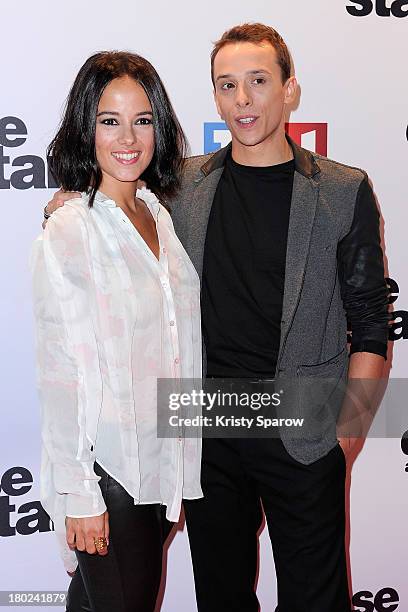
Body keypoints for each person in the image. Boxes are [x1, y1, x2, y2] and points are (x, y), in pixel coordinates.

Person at [44, 23, 389, 612]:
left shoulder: (342, 189)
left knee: (317, 600)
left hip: (304, 429)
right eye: (227, 85)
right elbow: (117, 204)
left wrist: (348, 433)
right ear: (215, 97)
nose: (243, 99)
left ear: (290, 89)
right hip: (208, 434)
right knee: (222, 598)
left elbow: (371, 322)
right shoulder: (183, 187)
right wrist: (70, 202)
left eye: (258, 81)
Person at [31, 51, 202, 612]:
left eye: (143, 119)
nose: (129, 137)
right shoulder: (74, 226)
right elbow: (63, 372)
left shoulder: (157, 212)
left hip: (157, 467)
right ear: (87, 127)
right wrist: (78, 493)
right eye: (110, 120)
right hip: (110, 471)